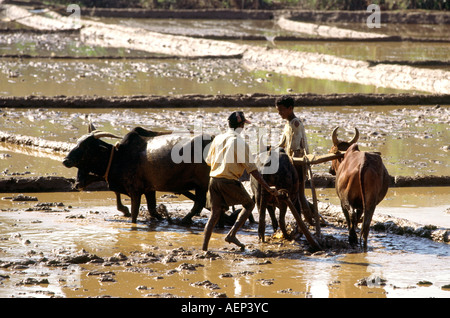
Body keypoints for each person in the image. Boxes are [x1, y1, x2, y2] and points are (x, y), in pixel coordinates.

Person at [202, 111, 278, 251]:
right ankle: (232, 234)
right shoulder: (240, 142)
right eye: (243, 124)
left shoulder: (218, 138)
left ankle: (204, 248)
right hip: (228, 181)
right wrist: (267, 187)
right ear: (241, 125)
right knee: (249, 204)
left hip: (213, 180)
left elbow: (208, 161)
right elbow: (253, 170)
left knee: (214, 214)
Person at [275, 95, 314, 224]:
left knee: (300, 194)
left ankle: (309, 221)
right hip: (291, 161)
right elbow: (282, 143)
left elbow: (295, 147)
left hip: (297, 161)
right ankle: (308, 218)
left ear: (290, 108)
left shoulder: (295, 124)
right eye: (278, 110)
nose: (279, 113)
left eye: (281, 110)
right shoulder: (288, 123)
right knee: (297, 194)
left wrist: (289, 161)